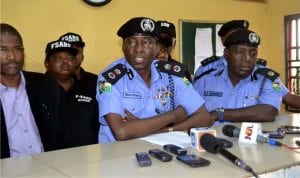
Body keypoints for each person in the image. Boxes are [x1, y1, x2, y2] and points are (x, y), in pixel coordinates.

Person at [96, 17, 211, 144]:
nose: (139, 49)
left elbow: (204, 117)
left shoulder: (172, 74)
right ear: (123, 47)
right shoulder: (109, 79)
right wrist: (172, 116)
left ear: (157, 48)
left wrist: (165, 130)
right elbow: (122, 132)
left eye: (146, 42)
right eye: (132, 42)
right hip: (119, 156)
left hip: (163, 153)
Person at [194, 20, 300, 110]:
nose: (243, 38)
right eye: (236, 36)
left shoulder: (263, 74)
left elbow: (287, 98)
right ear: (224, 40)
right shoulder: (206, 71)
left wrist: (219, 114)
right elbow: (191, 107)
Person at [193, 29, 282, 124]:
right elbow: (189, 109)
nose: (247, 59)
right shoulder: (206, 78)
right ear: (226, 53)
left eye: (253, 54)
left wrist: (219, 114)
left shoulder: (266, 79)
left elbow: (269, 112)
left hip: (249, 138)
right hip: (209, 137)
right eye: (239, 52)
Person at [0, 23, 61, 158]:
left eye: (17, 49)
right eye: (3, 50)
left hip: (48, 166)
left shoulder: (45, 84)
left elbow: (59, 130)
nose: (12, 57)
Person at [44, 40, 99, 148]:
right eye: (58, 58)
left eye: (70, 58)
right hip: (48, 157)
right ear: (47, 63)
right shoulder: (37, 90)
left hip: (85, 156)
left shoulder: (89, 89)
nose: (65, 61)